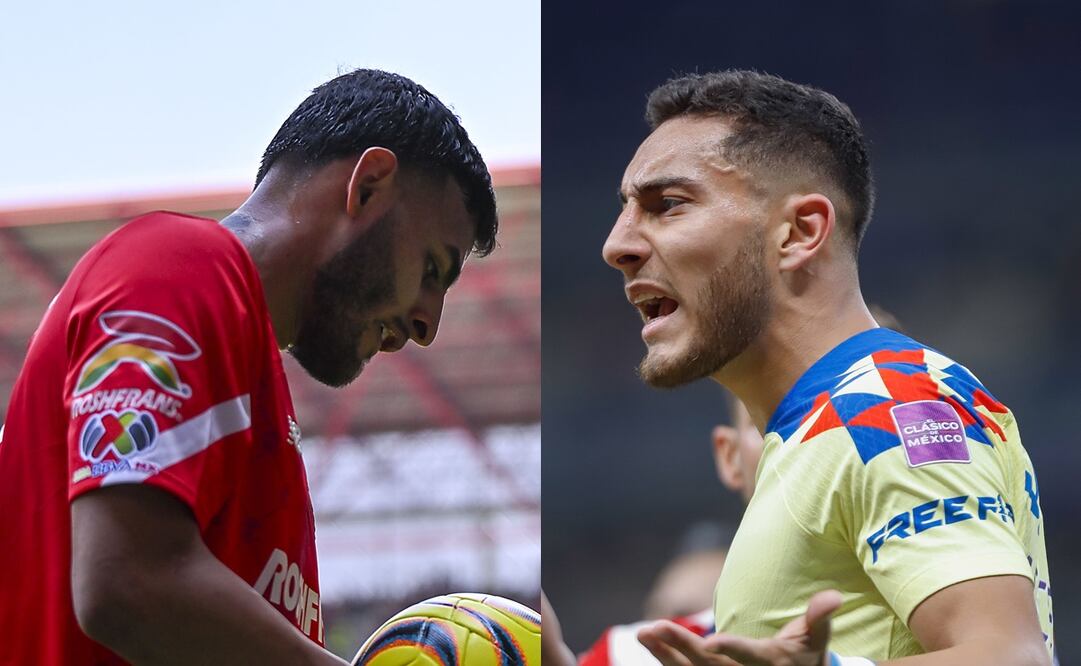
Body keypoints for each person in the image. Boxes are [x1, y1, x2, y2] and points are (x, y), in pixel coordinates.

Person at [546, 70, 1053, 665]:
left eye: (668, 205)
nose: (616, 245)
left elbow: (1010, 656)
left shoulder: (888, 406)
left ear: (800, 231)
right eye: (626, 210)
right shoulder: (811, 436)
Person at [0, 68, 497, 665]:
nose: (427, 326)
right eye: (432, 270)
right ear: (367, 187)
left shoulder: (257, 390)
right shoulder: (174, 267)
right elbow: (124, 582)